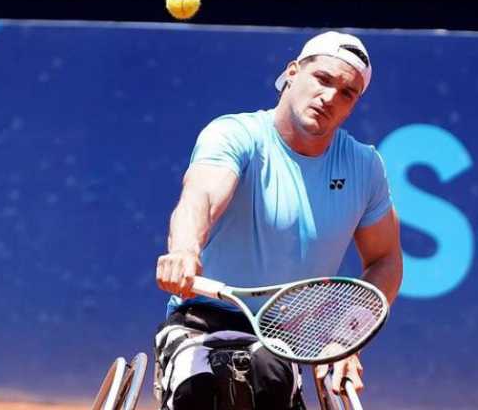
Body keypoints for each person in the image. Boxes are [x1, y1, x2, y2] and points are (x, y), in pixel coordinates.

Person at [154, 30, 403, 410]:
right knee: (200, 389)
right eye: (322, 79)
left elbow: (385, 261)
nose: (330, 97)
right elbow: (201, 194)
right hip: (200, 317)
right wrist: (186, 249)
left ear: (353, 105)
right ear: (292, 73)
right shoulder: (235, 134)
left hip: (283, 337)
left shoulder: (364, 166)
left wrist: (346, 334)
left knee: (267, 378)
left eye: (347, 93)